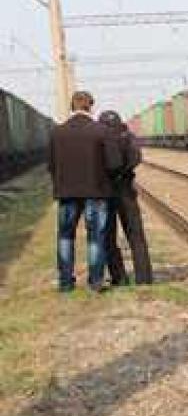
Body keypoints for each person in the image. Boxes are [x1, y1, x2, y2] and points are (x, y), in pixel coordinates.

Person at [47, 90, 121, 292]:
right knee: (95, 236)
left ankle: (65, 283)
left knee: (65, 236)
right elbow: (114, 164)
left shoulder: (57, 132)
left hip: (66, 193)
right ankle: (95, 282)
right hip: (96, 191)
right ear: (91, 106)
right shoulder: (101, 131)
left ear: (72, 107)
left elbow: (51, 166)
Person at [98, 111, 154, 286]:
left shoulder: (99, 139)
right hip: (126, 189)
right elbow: (136, 158)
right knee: (136, 234)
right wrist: (124, 171)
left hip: (105, 191)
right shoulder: (128, 136)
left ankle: (119, 277)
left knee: (108, 236)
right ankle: (144, 278)